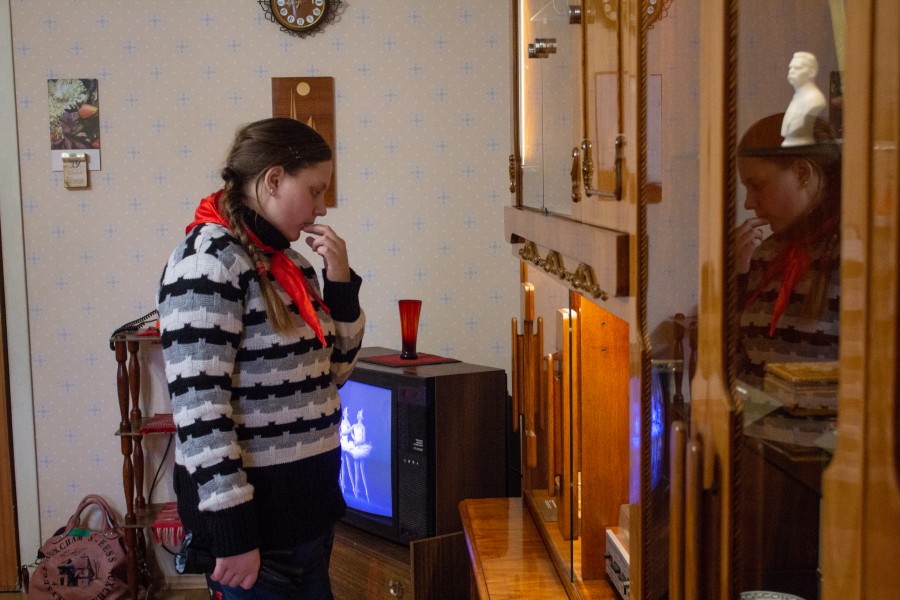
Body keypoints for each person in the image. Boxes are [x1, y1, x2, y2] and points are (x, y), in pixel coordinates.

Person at [157, 117, 365, 599]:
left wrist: (340, 284)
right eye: (314, 189)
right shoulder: (207, 262)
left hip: (305, 521)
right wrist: (233, 533)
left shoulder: (291, 265)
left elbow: (336, 372)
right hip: (256, 535)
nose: (321, 207)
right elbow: (200, 412)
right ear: (273, 179)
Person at [734, 113, 841, 388]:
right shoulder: (765, 254)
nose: (748, 203)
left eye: (757, 186)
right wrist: (736, 277)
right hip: (751, 417)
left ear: (802, 173)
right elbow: (733, 365)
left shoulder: (853, 255)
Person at [781, 52, 827, 147]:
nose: (791, 71)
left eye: (797, 68)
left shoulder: (814, 99)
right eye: (790, 68)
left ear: (811, 73)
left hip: (802, 148)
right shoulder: (798, 96)